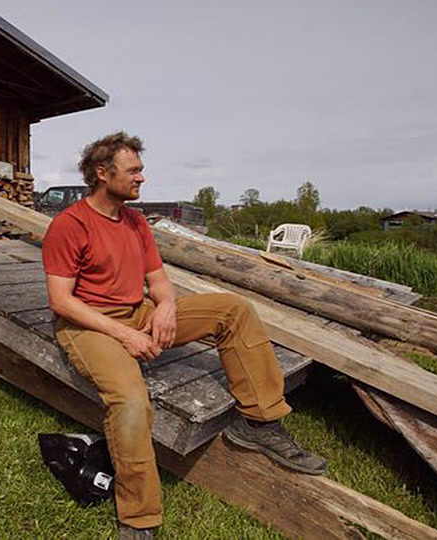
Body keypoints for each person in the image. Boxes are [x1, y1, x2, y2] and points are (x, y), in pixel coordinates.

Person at [42, 132, 327, 539]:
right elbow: (61, 301)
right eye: (133, 170)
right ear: (102, 173)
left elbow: (158, 280)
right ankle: (138, 519)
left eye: (141, 169)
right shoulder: (69, 225)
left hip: (137, 312)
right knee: (131, 401)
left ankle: (260, 424)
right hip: (89, 325)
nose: (142, 177)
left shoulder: (136, 222)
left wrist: (166, 307)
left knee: (234, 309)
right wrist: (126, 336)